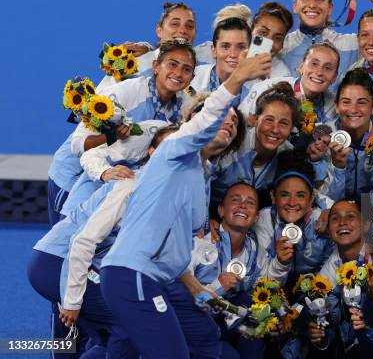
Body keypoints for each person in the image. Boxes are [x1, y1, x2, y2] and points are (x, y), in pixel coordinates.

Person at [99, 51, 270, 358]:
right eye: (221, 118)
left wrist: (204, 294)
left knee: (196, 339)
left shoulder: (202, 177)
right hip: (133, 273)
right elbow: (206, 118)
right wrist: (239, 77)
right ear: (195, 124)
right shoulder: (174, 150)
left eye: (233, 124)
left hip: (158, 279)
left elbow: (175, 247)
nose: (227, 124)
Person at [28, 125, 178, 358]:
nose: (174, 154)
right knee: (125, 323)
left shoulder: (171, 191)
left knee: (103, 335)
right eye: (167, 148)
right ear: (151, 152)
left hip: (81, 262)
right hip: (57, 261)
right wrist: (72, 301)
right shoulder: (130, 184)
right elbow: (82, 243)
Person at [59, 41, 198, 217]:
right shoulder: (124, 93)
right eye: (172, 64)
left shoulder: (185, 108)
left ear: (192, 78)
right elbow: (77, 145)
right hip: (92, 192)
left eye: (186, 69)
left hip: (132, 203)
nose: (178, 73)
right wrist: (111, 136)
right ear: (155, 66)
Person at [179, 182, 290, 359]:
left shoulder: (253, 249)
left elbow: (265, 285)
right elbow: (179, 294)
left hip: (228, 324)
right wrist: (219, 286)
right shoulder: (200, 240)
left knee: (257, 310)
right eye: (235, 200)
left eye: (250, 203)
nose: (243, 206)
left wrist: (275, 317)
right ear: (221, 210)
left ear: (256, 218)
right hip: (192, 324)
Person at [310, 199, 373, 358]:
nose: (342, 222)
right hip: (359, 340)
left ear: (365, 225)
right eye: (335, 218)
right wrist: (318, 332)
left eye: (350, 216)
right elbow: (317, 300)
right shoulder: (333, 264)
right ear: (329, 229)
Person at [211, 82, 298, 209]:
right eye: (268, 120)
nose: (275, 129)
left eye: (284, 123)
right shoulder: (232, 141)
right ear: (255, 119)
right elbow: (199, 181)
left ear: (291, 128)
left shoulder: (290, 157)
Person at [254, 150, 335, 281]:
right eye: (284, 195)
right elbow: (262, 282)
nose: (292, 203)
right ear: (273, 197)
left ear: (311, 199)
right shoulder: (263, 221)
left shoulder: (321, 219)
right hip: (274, 288)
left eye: (300, 195)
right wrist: (281, 262)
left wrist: (333, 211)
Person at [318, 68, 373, 201]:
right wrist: (338, 166)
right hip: (337, 212)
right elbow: (324, 200)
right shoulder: (324, 136)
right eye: (346, 102)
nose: (353, 109)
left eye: (361, 102)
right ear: (336, 106)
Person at [97, 1, 199, 90]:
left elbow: (192, 95)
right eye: (175, 24)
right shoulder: (133, 66)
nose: (183, 30)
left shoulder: (202, 59)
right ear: (159, 30)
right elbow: (100, 99)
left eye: (190, 26)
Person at [239, 40, 340, 125]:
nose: (319, 72)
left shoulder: (333, 106)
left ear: (334, 77)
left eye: (327, 68)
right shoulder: (267, 88)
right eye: (314, 64)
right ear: (301, 67)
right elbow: (239, 124)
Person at [195, 2, 294, 78]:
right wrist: (195, 96)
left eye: (277, 38)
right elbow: (186, 87)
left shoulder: (281, 75)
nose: (268, 42)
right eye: (263, 33)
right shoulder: (202, 54)